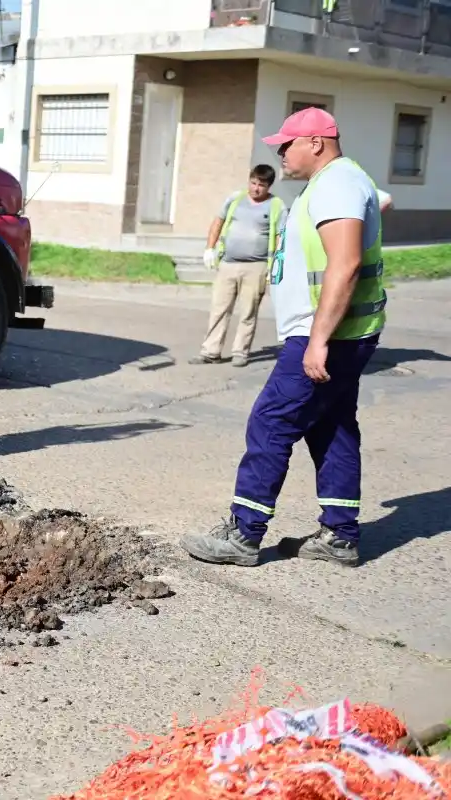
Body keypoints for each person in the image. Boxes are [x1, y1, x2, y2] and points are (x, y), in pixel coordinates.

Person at [180, 106, 386, 568]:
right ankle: (339, 535)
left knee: (271, 422)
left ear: (316, 142)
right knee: (329, 426)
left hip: (326, 335)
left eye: (286, 144)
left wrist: (317, 340)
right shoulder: (338, 182)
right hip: (338, 333)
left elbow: (346, 263)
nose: (279, 152)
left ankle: (244, 534)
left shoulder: (336, 184)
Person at [190, 165, 286, 368]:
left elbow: (280, 237)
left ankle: (240, 352)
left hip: (256, 266)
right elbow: (218, 222)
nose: (256, 188)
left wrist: (276, 264)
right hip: (228, 264)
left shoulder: (276, 206)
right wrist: (210, 248)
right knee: (219, 308)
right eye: (253, 183)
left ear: (269, 186)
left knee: (248, 311)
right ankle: (210, 351)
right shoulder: (235, 199)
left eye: (261, 185)